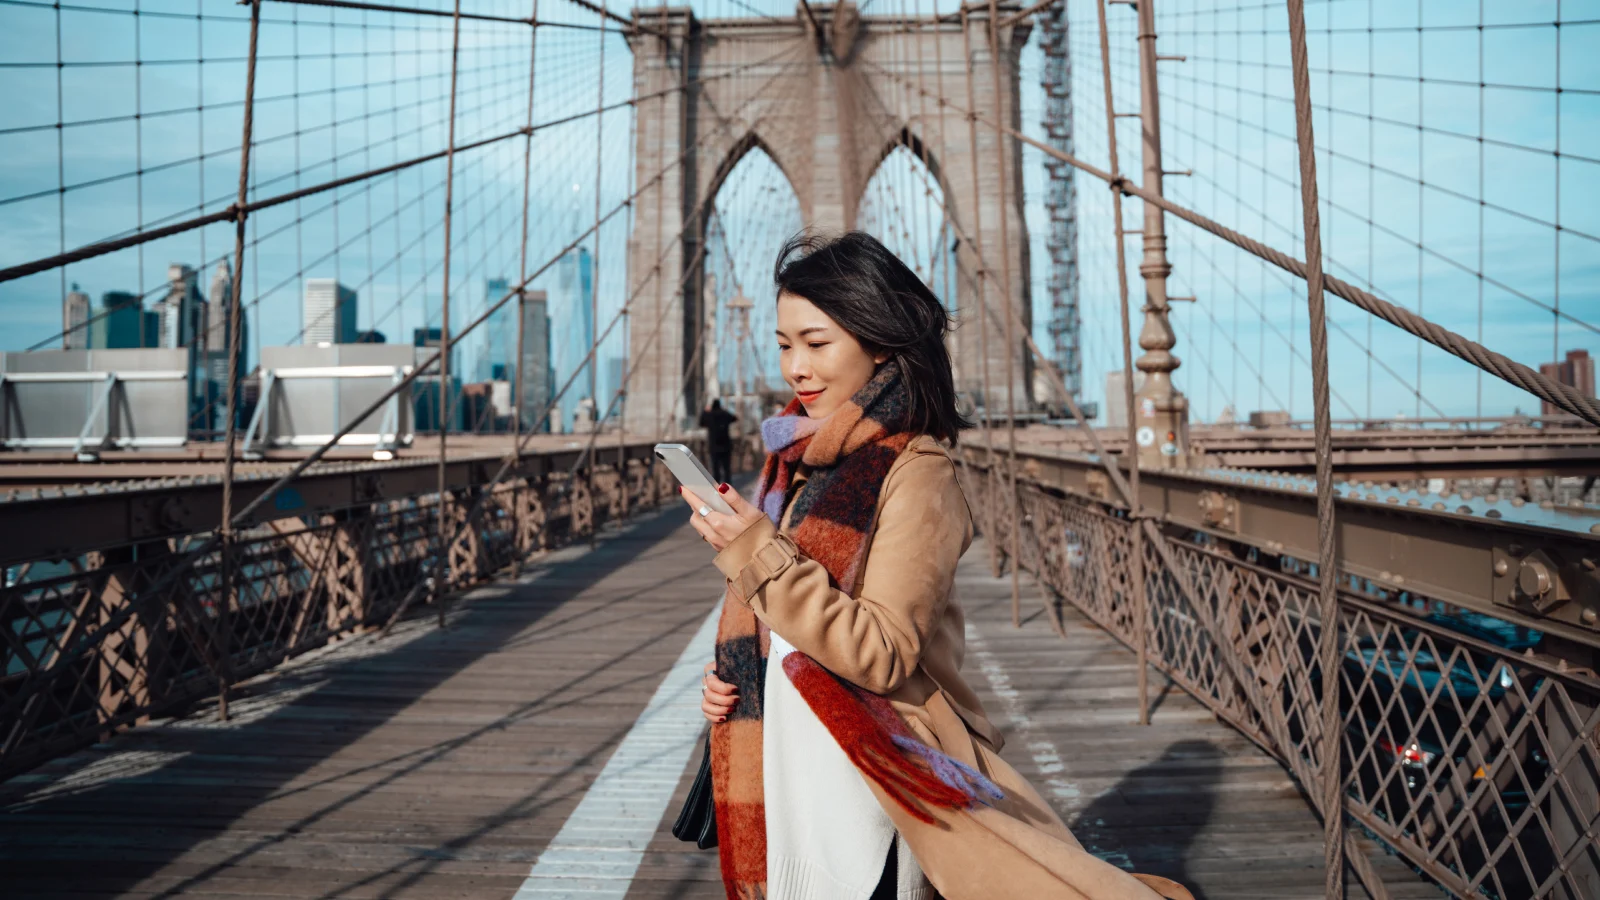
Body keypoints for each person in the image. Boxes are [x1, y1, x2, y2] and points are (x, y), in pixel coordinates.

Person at [679, 231, 1190, 900]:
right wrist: (737, 678)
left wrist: (754, 552)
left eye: (816, 343)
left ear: (879, 342)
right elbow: (786, 623)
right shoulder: (800, 460)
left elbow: (881, 651)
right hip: (790, 768)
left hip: (871, 781)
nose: (796, 368)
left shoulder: (918, 472)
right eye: (784, 345)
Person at [698, 398, 739, 485]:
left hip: (714, 447)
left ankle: (717, 488)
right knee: (726, 469)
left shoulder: (709, 415)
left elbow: (701, 423)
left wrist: (705, 411)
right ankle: (728, 488)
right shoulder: (725, 414)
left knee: (715, 469)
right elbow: (735, 418)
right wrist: (724, 410)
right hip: (726, 446)